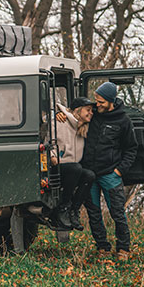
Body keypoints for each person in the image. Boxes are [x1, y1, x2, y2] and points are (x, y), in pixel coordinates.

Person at [80, 81, 138, 261]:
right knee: (94, 213)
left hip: (110, 175)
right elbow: (73, 113)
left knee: (117, 213)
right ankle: (102, 248)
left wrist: (119, 171)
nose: (97, 104)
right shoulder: (93, 114)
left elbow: (131, 149)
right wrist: (60, 114)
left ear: (111, 101)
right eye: (96, 100)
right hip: (90, 175)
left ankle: (123, 249)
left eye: (101, 102)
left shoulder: (123, 121)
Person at [51, 97, 96, 230]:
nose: (91, 113)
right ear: (78, 110)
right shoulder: (60, 121)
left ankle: (74, 210)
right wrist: (52, 156)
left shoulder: (83, 128)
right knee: (76, 168)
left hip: (73, 170)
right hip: (56, 167)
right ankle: (63, 208)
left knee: (89, 175)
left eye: (92, 111)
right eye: (88, 110)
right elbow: (49, 139)